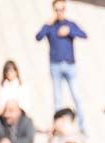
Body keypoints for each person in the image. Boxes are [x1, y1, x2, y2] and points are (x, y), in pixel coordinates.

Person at [36, 0, 87, 131]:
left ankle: (82, 126)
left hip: (70, 64)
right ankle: (58, 127)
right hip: (55, 64)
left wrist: (70, 31)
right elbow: (38, 37)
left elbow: (84, 34)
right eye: (57, 9)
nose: (59, 12)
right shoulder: (51, 26)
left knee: (77, 96)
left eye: (62, 9)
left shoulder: (69, 24)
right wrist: (47, 24)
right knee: (58, 98)